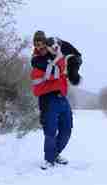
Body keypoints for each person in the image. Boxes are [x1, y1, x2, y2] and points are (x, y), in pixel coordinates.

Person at [30, 30, 81, 170]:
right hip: (48, 99)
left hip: (62, 98)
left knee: (67, 129)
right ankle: (48, 159)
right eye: (37, 45)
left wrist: (74, 63)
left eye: (42, 45)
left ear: (46, 44)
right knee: (50, 131)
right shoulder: (37, 61)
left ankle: (55, 154)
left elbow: (63, 67)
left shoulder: (55, 54)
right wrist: (58, 72)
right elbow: (51, 75)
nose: (40, 48)